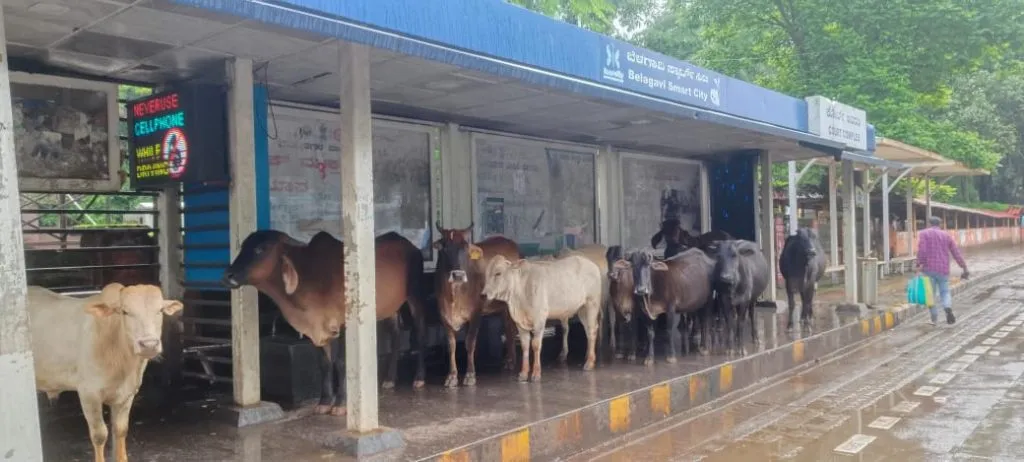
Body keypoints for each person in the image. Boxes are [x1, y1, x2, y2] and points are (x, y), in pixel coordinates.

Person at [916, 216, 969, 325]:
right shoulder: (946, 235)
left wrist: (918, 264)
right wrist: (964, 266)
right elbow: (956, 253)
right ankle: (947, 308)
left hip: (928, 269)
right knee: (945, 292)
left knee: (930, 294)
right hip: (943, 269)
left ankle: (934, 319)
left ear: (929, 223)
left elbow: (922, 250)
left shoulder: (924, 234)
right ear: (940, 224)